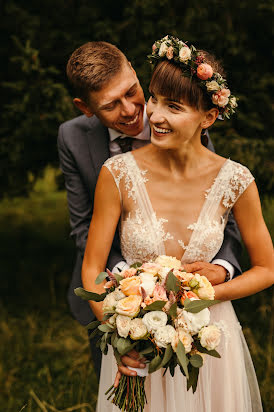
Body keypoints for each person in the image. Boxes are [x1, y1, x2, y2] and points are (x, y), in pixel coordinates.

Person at [81, 36, 274, 411]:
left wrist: (207, 295)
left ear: (209, 117)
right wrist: (122, 333)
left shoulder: (236, 180)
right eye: (153, 98)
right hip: (139, 343)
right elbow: (91, 269)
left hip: (209, 341)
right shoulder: (117, 173)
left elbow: (267, 269)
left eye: (174, 106)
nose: (154, 115)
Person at [58, 41, 242, 380]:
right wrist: (132, 286)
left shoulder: (183, 124)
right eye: (111, 105)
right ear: (85, 108)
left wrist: (222, 267)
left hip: (189, 297)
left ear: (132, 68)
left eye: (132, 92)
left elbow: (217, 208)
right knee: (122, 376)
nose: (130, 110)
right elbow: (83, 227)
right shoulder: (72, 137)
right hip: (111, 292)